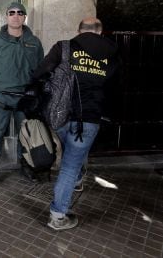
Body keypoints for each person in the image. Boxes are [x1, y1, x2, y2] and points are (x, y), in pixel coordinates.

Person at [32, 17, 119, 231]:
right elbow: (115, 88)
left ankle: (77, 180)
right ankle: (58, 216)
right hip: (90, 119)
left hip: (61, 116)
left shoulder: (64, 47)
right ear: (100, 31)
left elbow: (39, 73)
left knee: (71, 157)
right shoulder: (113, 53)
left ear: (79, 31)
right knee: (71, 162)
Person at [0, 2, 44, 185]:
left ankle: (25, 165)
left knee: (25, 134)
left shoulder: (34, 42)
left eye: (20, 13)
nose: (15, 16)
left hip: (25, 98)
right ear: (6, 16)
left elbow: (40, 68)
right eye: (11, 13)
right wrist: (0, 84)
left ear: (24, 17)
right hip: (2, 97)